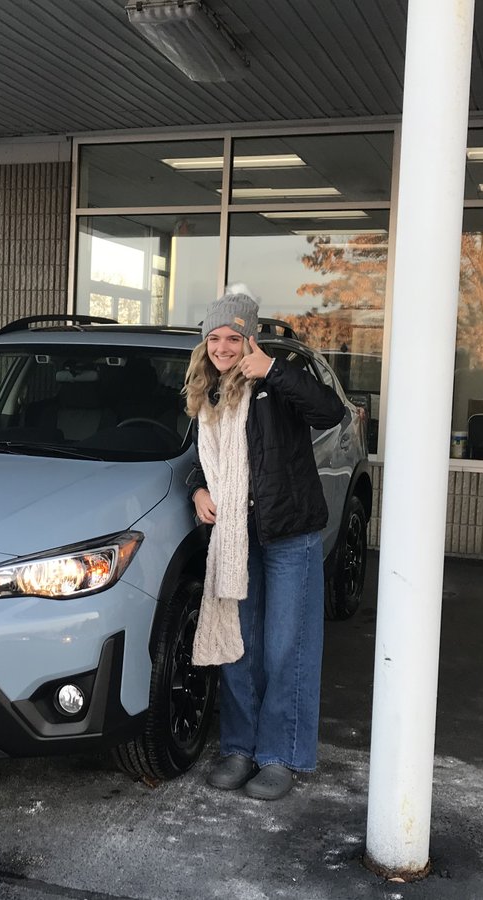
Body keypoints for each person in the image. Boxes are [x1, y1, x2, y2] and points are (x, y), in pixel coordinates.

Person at [184, 289, 346, 800]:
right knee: (239, 647)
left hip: (289, 532)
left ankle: (279, 755)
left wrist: (274, 370)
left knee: (284, 649)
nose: (223, 348)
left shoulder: (276, 381)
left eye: (233, 338)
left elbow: (330, 412)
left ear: (250, 339)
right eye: (215, 338)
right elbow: (202, 460)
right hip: (236, 535)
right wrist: (198, 489)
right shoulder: (205, 393)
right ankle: (239, 748)